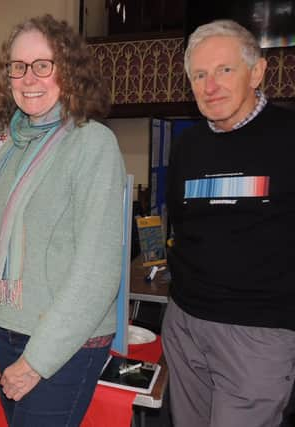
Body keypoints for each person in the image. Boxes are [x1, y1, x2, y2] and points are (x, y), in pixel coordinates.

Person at [0, 14, 126, 427]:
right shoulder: (11, 148)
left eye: (43, 65)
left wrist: (37, 360)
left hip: (63, 345)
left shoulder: (92, 143)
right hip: (4, 333)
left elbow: (98, 273)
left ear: (68, 71)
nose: (28, 78)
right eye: (18, 67)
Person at [163, 19, 295, 427]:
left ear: (256, 72)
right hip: (184, 324)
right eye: (199, 75)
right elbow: (182, 227)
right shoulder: (187, 145)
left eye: (224, 70)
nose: (210, 85)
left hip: (256, 332)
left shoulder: (289, 136)